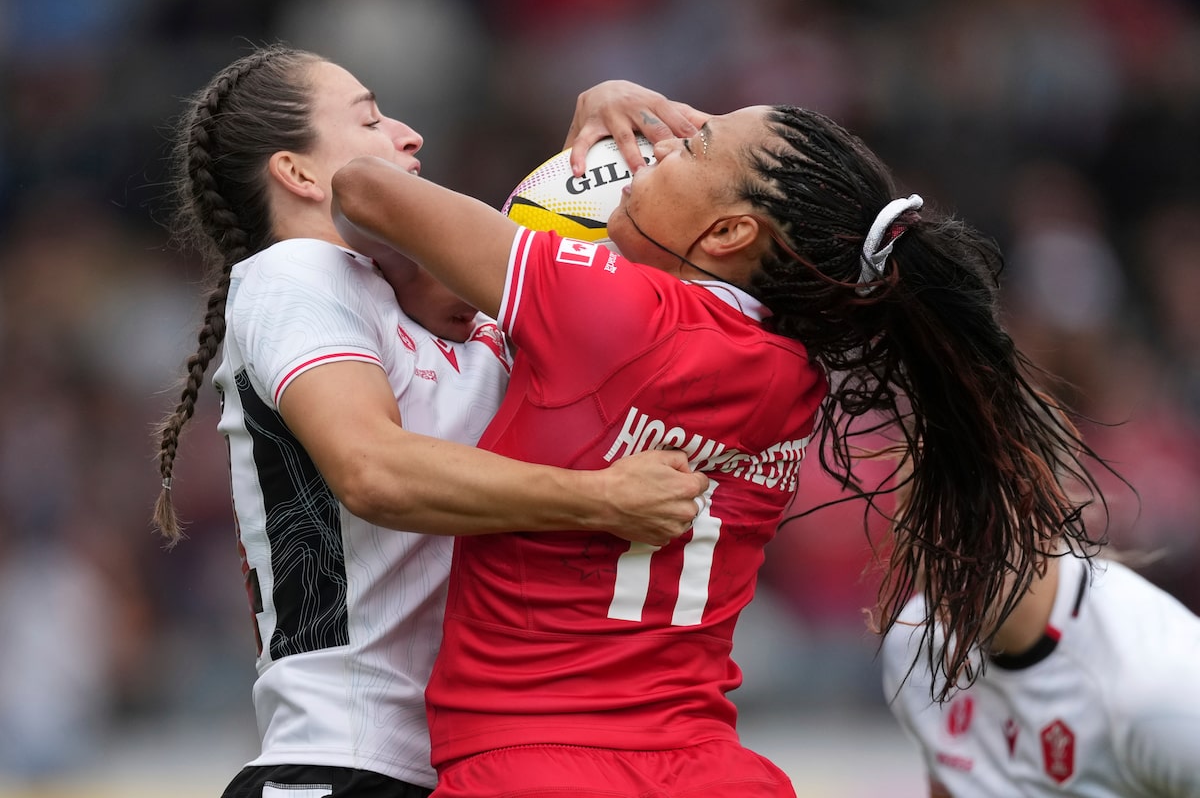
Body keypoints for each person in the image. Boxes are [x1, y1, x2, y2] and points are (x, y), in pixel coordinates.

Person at [330, 101, 1116, 797]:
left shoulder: (607, 309)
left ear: (731, 232)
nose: (656, 149)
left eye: (689, 144)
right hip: (711, 769)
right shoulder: (796, 375)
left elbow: (366, 188)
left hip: (533, 763)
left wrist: (576, 170)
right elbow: (766, 199)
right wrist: (665, 134)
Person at [150, 47, 710, 798]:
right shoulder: (297, 273)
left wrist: (607, 128)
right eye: (372, 119)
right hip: (345, 765)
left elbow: (600, 269)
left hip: (465, 762)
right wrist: (603, 498)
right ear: (301, 174)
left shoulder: (420, 299)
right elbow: (372, 470)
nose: (409, 135)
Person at [881, 411, 1200, 797]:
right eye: (917, 508)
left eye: (972, 509)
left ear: (1048, 515)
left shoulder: (1158, 689)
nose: (941, 541)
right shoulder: (913, 647)